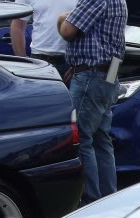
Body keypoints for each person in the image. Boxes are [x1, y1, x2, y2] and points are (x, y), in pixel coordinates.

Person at [57, 0, 128, 206]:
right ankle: (108, 198)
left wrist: (62, 18)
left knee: (82, 138)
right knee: (101, 139)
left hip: (92, 73)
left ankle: (91, 201)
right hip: (110, 72)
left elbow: (68, 30)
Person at [11, 0, 76, 78]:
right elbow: (18, 26)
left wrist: (80, 64)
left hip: (71, 62)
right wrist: (23, 61)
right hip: (39, 60)